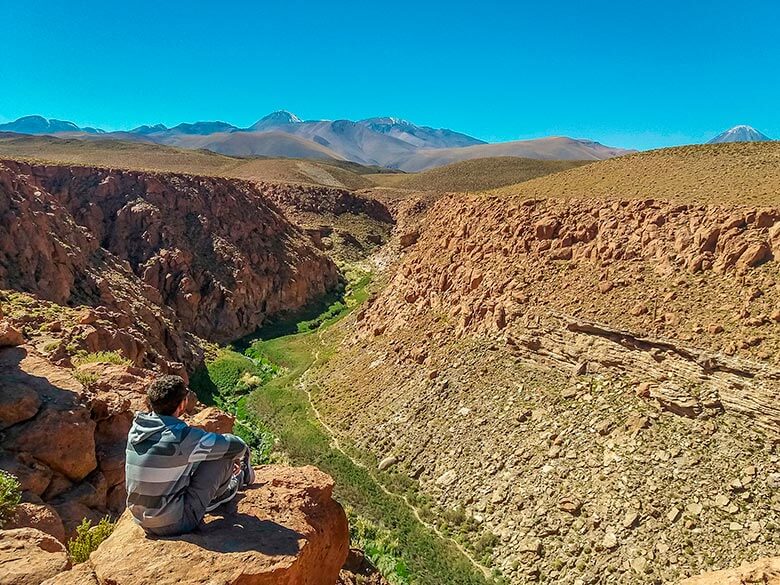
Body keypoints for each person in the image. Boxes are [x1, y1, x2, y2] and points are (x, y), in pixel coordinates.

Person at [125, 375, 255, 536]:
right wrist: (233, 456)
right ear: (182, 404)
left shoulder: (137, 428)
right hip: (176, 523)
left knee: (195, 457)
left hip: (141, 519)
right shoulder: (181, 437)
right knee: (223, 457)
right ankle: (224, 492)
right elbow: (237, 445)